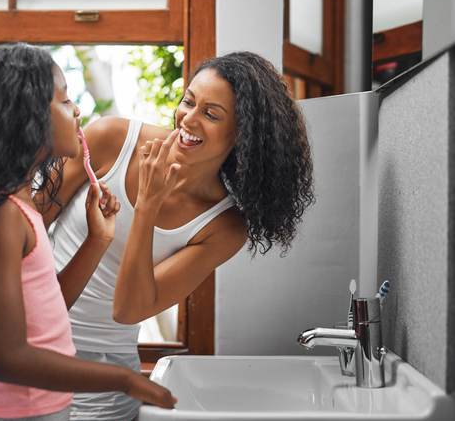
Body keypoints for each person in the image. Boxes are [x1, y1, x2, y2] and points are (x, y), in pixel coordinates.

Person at [0, 44, 176, 421]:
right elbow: (11, 359)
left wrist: (98, 240)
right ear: (25, 118)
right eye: (65, 101)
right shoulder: (3, 216)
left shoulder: (20, 206)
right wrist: (124, 379)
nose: (77, 111)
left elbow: (49, 308)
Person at [44, 51, 316, 420]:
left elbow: (128, 310)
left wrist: (148, 206)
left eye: (211, 114)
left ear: (243, 136)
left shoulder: (223, 227)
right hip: (32, 352)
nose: (189, 118)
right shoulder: (112, 140)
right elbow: (28, 220)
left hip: (103, 385)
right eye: (189, 101)